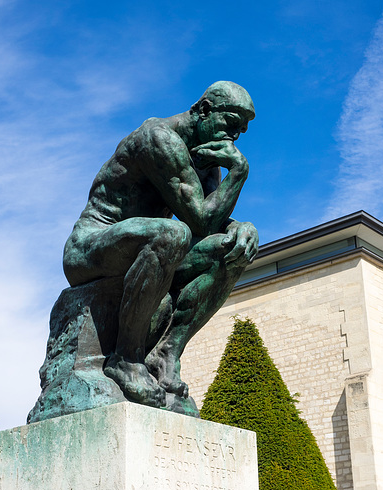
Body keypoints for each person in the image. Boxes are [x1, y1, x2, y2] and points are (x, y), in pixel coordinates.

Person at [63, 81, 259, 408]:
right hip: (91, 246)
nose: (233, 138)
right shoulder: (158, 138)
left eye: (240, 131)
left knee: (231, 247)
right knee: (172, 234)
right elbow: (198, 220)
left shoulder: (204, 158)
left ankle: (167, 354)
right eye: (230, 124)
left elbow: (209, 221)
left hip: (147, 245)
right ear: (204, 109)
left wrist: (242, 228)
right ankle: (125, 358)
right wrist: (239, 173)